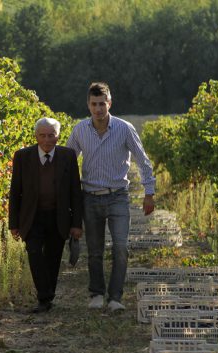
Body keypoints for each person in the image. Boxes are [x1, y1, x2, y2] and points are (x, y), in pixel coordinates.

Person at [66, 82, 156, 311]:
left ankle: (115, 297)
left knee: (121, 247)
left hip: (118, 196)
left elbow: (142, 160)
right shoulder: (79, 130)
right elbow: (66, 164)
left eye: (102, 104)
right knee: (94, 250)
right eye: (94, 104)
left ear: (109, 103)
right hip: (90, 196)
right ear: (88, 105)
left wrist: (149, 192)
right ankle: (96, 293)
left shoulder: (124, 129)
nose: (98, 108)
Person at [9, 117, 83, 313]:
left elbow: (75, 191)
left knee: (53, 257)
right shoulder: (23, 157)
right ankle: (44, 296)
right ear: (36, 136)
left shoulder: (68, 156)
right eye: (43, 135)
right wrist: (13, 223)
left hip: (58, 216)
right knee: (34, 252)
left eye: (51, 135)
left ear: (58, 136)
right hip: (32, 217)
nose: (47, 139)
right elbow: (15, 192)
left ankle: (47, 297)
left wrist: (77, 223)